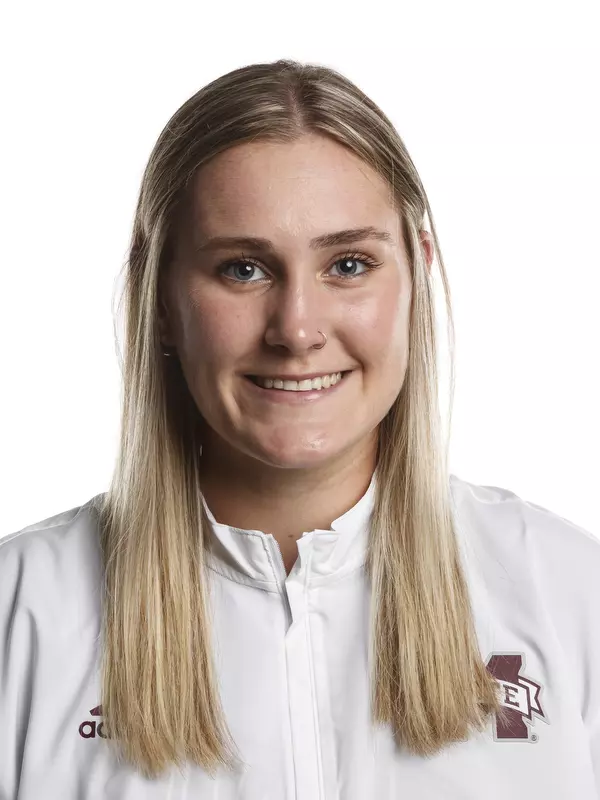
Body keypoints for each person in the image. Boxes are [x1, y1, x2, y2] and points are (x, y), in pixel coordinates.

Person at [1, 58, 599, 800]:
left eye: (348, 264)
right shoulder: (21, 615)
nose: (297, 329)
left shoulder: (569, 593)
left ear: (417, 275)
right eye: (242, 269)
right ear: (159, 297)